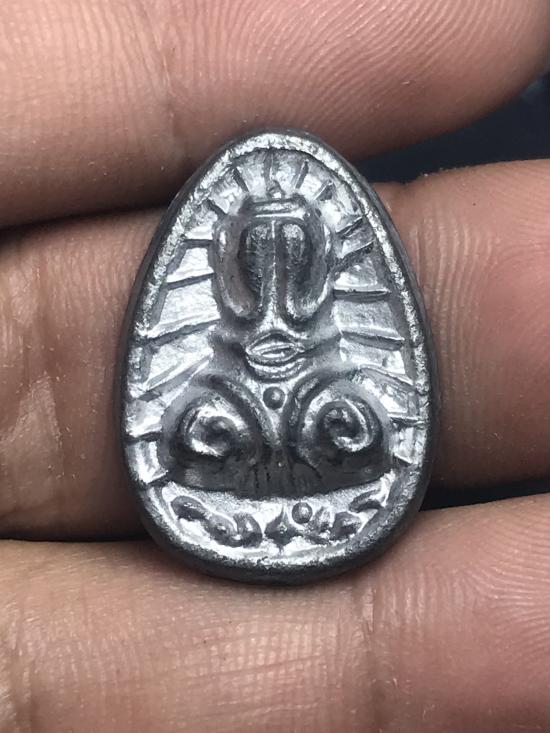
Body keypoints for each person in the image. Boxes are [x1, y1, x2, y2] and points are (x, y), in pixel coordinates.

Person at [0, 1, 548, 730]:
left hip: (314, 396)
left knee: (347, 426)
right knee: (204, 431)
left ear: (321, 266)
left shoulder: (325, 320)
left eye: (297, 258)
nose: (277, 285)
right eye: (257, 259)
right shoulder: (223, 317)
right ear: (229, 265)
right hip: (234, 397)